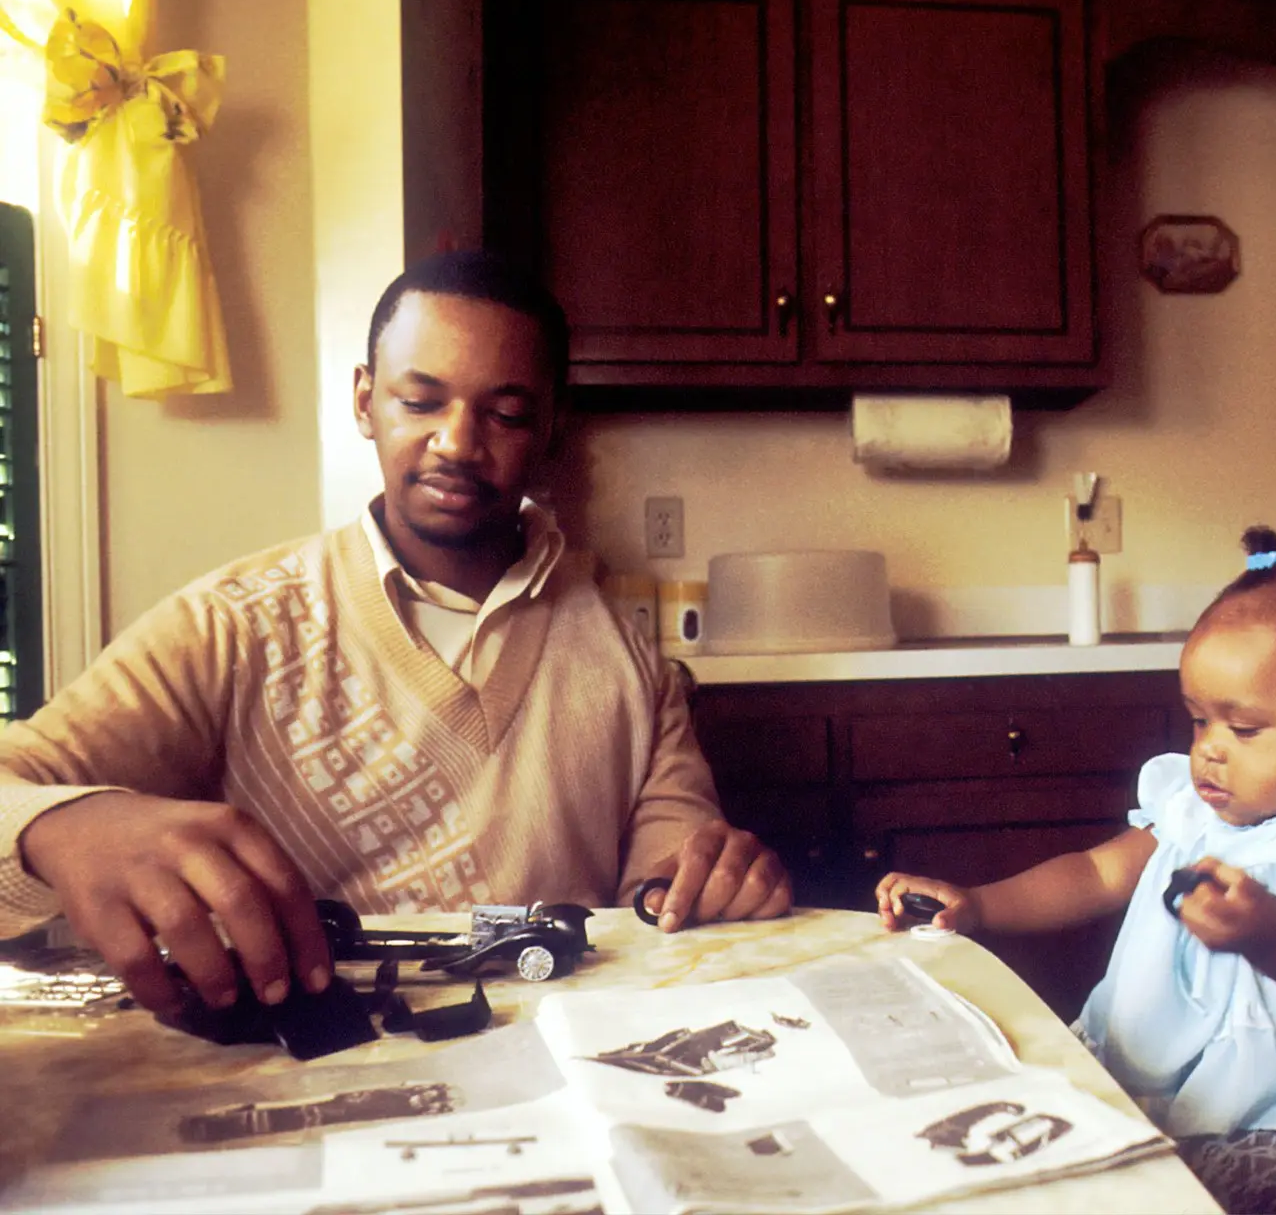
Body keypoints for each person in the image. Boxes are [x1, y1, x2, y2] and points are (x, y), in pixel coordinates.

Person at [0, 250, 790, 1021]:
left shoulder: (628, 658)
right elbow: (14, 782)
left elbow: (670, 884)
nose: (457, 442)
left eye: (506, 414)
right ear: (364, 401)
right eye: (420, 402)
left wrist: (712, 881)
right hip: (306, 1072)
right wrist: (61, 825)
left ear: (552, 428)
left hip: (563, 1064)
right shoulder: (233, 626)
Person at [878, 531, 1276, 1214]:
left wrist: (1274, 934)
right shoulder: (1188, 808)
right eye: (1200, 721)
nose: (1209, 751)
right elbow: (1094, 874)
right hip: (1148, 1087)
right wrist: (977, 904)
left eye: (1244, 729)